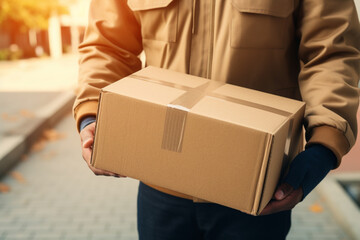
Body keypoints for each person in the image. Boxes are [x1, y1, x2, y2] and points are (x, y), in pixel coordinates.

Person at [73, 0, 360, 239]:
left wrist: (324, 142)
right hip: (160, 188)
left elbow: (331, 51)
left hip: (258, 188)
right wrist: (93, 114)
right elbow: (107, 46)